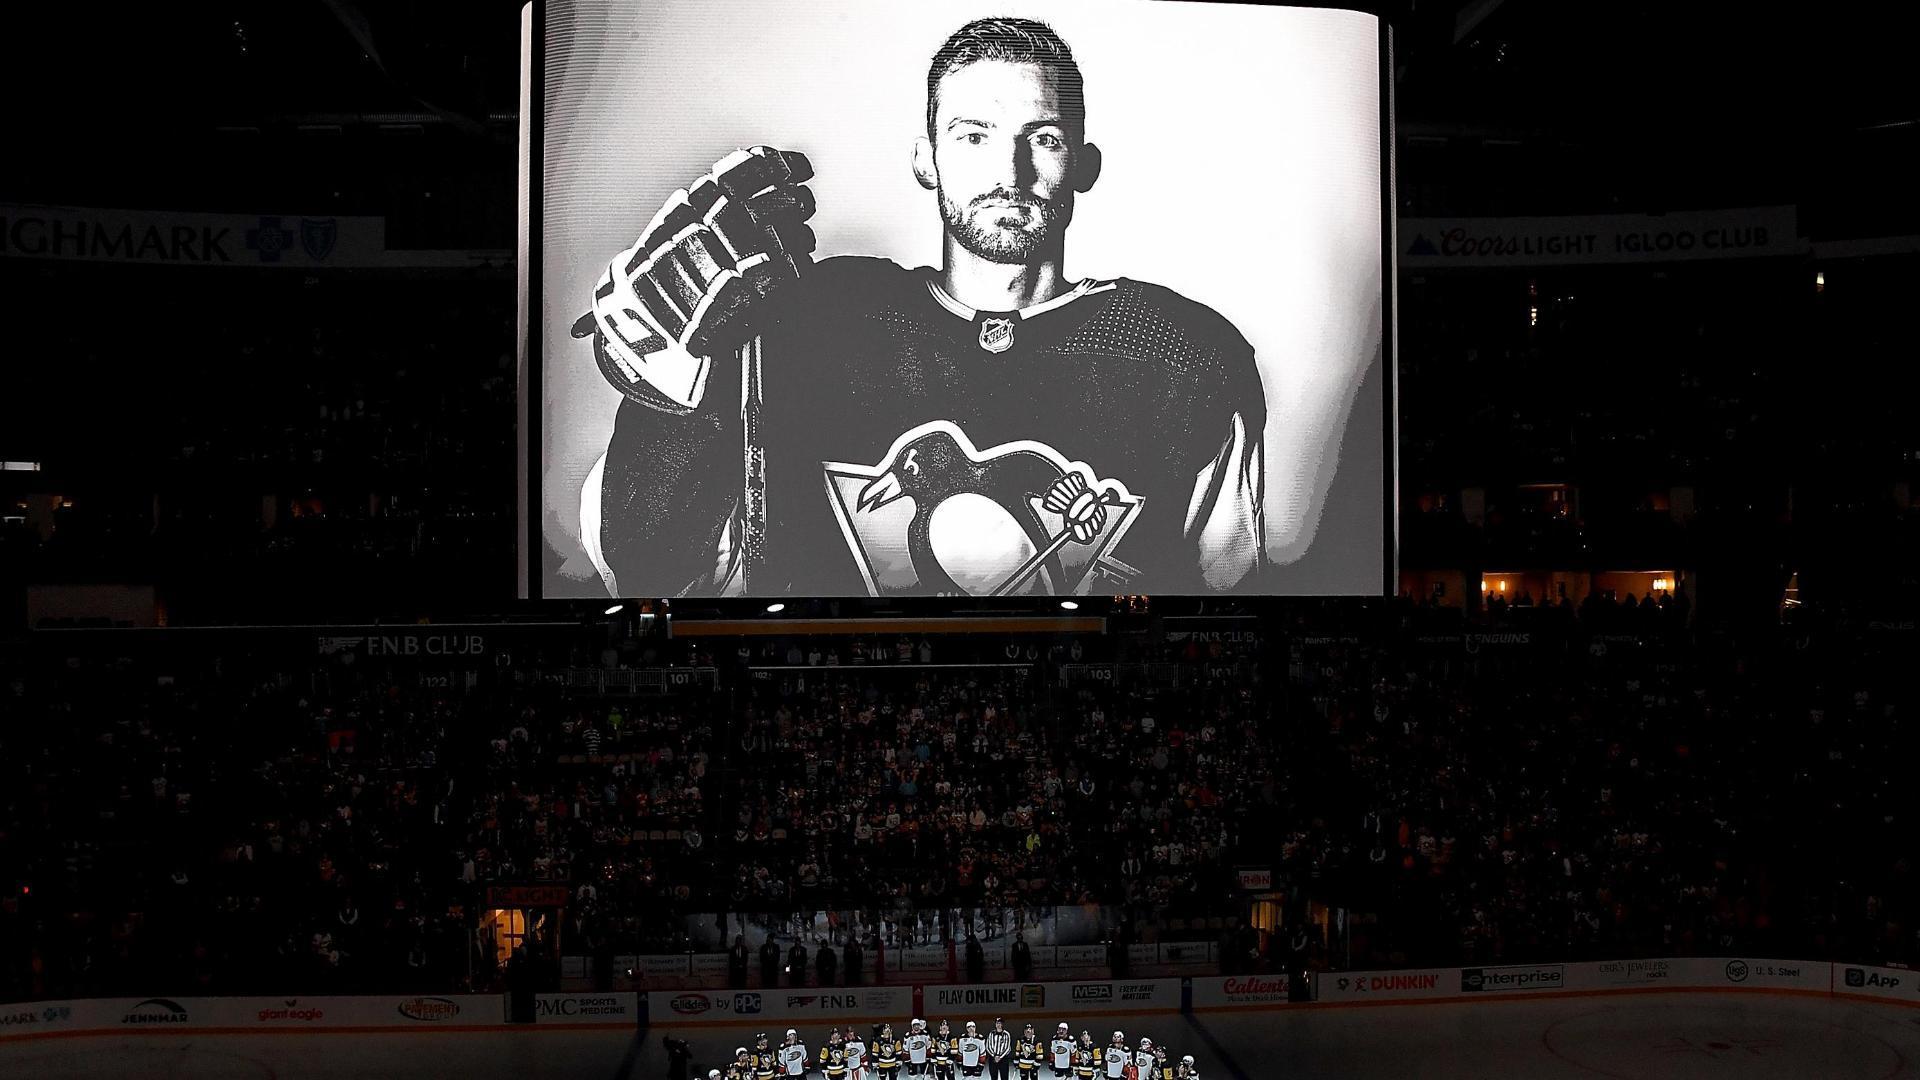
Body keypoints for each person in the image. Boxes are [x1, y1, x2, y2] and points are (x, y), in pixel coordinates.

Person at [580, 16, 1269, 598]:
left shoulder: (1185, 358)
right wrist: (663, 396)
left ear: (1083, 164)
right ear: (926, 161)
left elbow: (1231, 599)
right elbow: (645, 570)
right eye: (974, 136)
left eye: (1044, 138)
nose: (1010, 172)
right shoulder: (806, 321)